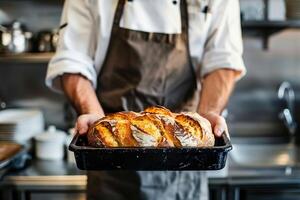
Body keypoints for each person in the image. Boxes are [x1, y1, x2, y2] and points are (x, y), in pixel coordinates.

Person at [46, 0, 246, 199]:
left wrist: (206, 116)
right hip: (108, 160)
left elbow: (223, 60)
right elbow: (72, 59)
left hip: (185, 162)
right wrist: (92, 112)